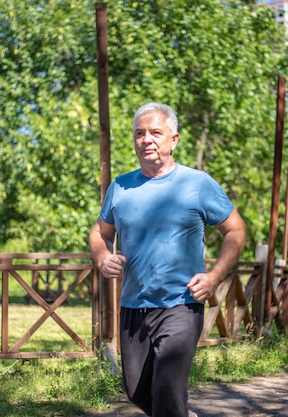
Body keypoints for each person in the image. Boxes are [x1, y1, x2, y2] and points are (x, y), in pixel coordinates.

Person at [89, 102, 247, 417]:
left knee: (168, 387)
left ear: (173, 139)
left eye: (155, 133)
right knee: (136, 391)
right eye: (139, 133)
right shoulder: (120, 186)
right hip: (134, 305)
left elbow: (236, 231)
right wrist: (103, 256)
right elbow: (99, 232)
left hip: (181, 303)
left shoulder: (197, 184)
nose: (146, 139)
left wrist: (213, 277)